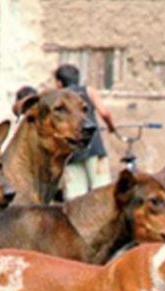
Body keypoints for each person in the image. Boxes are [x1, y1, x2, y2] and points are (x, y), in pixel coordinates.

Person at [54, 64, 116, 199]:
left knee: (75, 198)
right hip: (94, 147)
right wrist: (111, 127)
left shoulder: (59, 98)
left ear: (59, 83)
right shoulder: (88, 91)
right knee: (102, 192)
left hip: (71, 151)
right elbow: (105, 113)